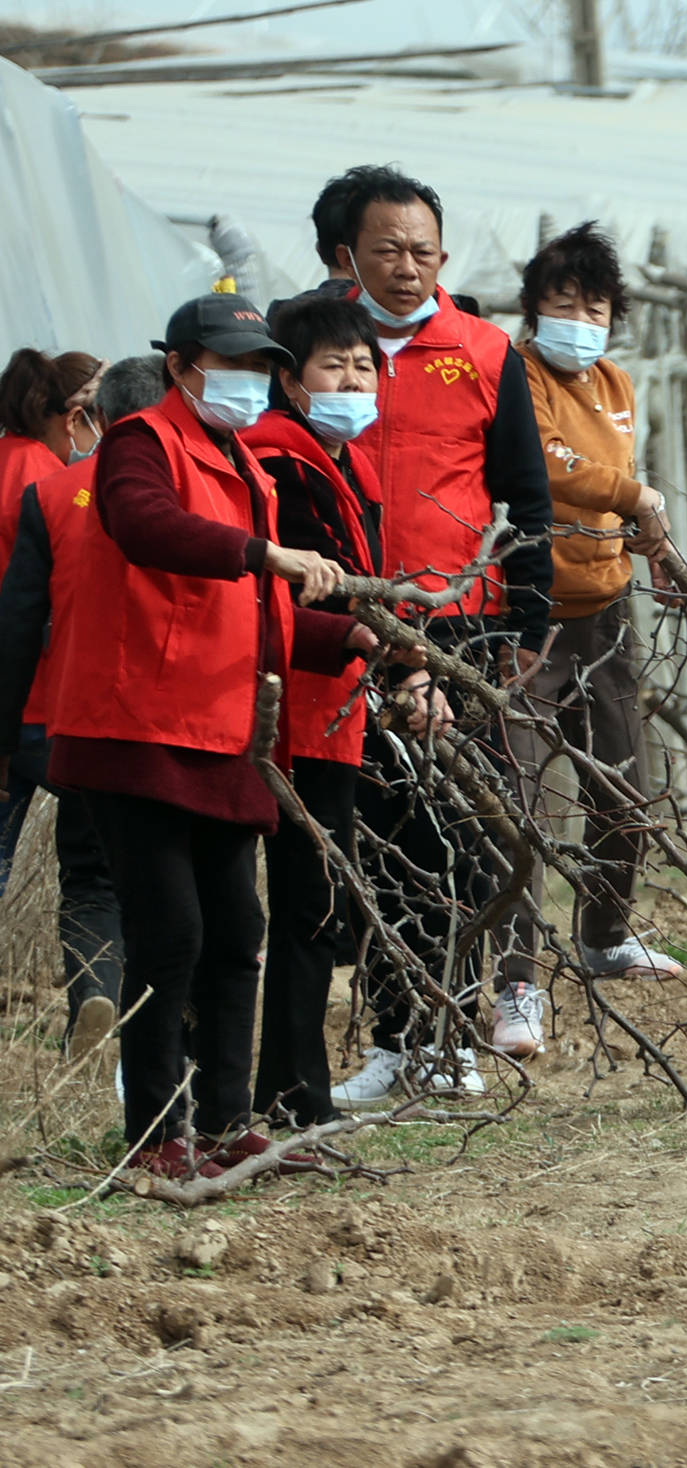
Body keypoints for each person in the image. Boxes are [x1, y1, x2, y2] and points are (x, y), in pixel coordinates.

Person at [36, 295, 368, 1178]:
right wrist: (267, 557)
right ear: (182, 366)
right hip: (136, 726)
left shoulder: (241, 465)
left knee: (237, 926)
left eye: (261, 365)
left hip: (224, 729)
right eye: (231, 363)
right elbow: (148, 529)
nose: (250, 380)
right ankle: (154, 1134)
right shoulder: (140, 443)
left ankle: (226, 1124)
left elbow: (259, 612)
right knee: (172, 930)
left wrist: (355, 636)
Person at [322, 164, 555, 1112]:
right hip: (343, 622)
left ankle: (453, 1033)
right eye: (388, 250)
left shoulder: (485, 350)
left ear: (443, 256)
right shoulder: (317, 341)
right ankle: (392, 1039)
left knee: (456, 832)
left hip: (456, 620)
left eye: (423, 250)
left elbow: (527, 495)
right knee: (372, 833)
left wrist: (527, 622)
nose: (408, 267)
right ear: (350, 256)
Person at [244, 296, 449, 1127]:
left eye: (365, 366)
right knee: (302, 909)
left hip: (332, 705)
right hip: (286, 711)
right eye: (335, 366)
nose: (355, 380)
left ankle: (294, 1091)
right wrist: (372, 641)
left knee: (314, 905)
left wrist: (397, 662)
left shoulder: (341, 464)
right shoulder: (277, 463)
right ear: (291, 382)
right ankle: (292, 1098)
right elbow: (276, 600)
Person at [494, 221, 684, 1060]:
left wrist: (649, 534)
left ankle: (604, 937)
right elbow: (553, 463)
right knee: (521, 806)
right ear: (534, 309)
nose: (580, 318)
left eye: (595, 305)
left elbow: (612, 493)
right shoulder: (517, 376)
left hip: (604, 611)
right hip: (526, 617)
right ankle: (515, 984)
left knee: (626, 787)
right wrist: (637, 495)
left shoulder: (614, 381)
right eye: (563, 303)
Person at [0, 357, 163, 1056]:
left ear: (99, 418)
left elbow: (18, 618)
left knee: (88, 874)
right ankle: (163, 1015)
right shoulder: (206, 491)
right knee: (164, 871)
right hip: (163, 718)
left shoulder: (58, 488)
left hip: (58, 710)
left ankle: (95, 992)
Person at [0, 348, 104, 882]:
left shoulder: (7, 459)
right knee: (100, 865)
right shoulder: (56, 484)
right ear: (73, 419)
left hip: (16, 702)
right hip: (36, 699)